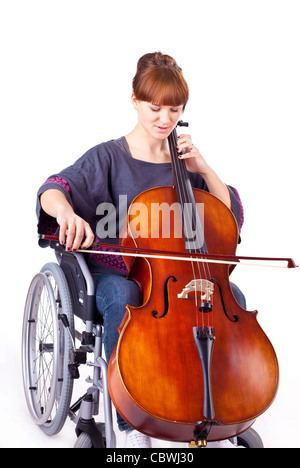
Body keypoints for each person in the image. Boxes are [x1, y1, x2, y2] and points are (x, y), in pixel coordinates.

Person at [37, 52, 245, 448]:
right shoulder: (108, 157)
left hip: (175, 275)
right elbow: (54, 189)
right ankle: (130, 419)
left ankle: (212, 413)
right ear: (135, 100)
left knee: (232, 298)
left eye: (174, 110)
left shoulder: (185, 165)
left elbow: (227, 218)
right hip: (116, 271)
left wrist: (204, 168)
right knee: (124, 296)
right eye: (155, 108)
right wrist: (67, 215)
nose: (164, 120)